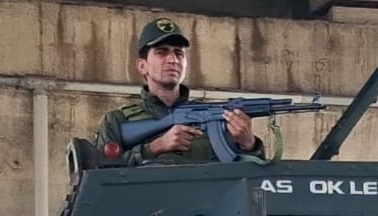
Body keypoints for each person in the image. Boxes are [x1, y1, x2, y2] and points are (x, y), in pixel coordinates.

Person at [93, 19, 260, 167]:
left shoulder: (215, 117)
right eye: (161, 52)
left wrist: (248, 144)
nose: (173, 60)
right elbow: (101, 173)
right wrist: (154, 148)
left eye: (178, 53)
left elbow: (248, 176)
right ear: (142, 65)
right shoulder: (117, 120)